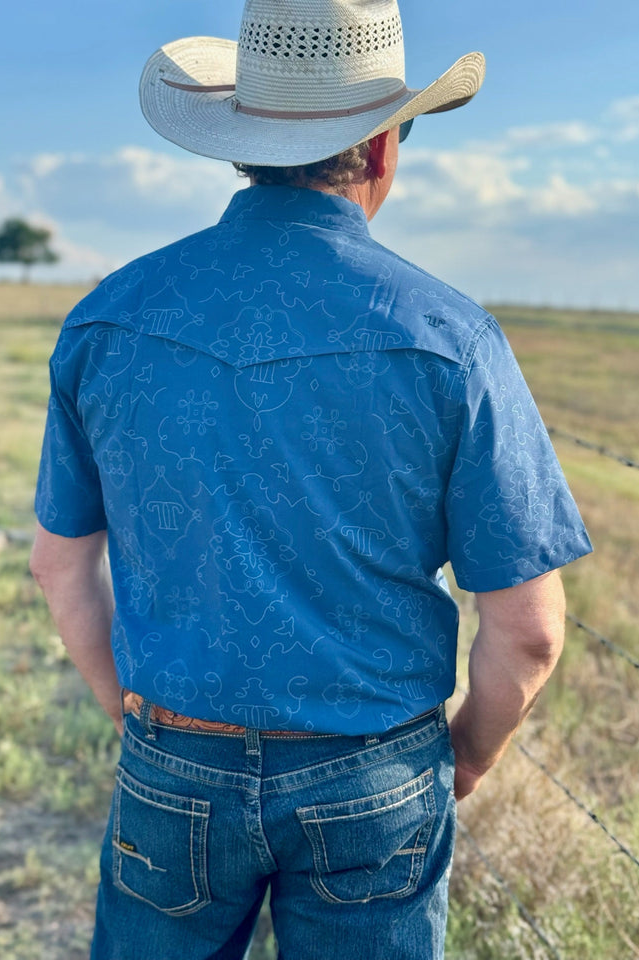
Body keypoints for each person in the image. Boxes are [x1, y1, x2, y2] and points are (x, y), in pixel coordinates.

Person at [30, 1, 592, 957]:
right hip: (376, 767)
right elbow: (530, 630)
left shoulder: (106, 320)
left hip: (172, 750)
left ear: (240, 147)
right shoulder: (451, 340)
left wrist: (140, 721)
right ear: (381, 151)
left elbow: (58, 567)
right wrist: (462, 755)